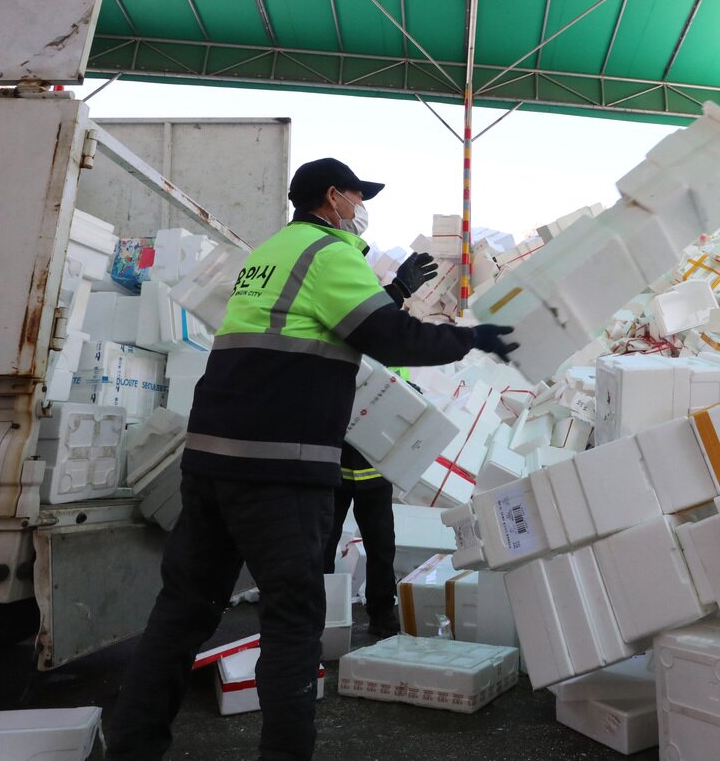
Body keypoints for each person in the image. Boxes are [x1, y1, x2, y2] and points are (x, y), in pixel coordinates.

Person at [105, 158, 518, 761]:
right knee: (294, 621)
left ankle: (133, 750)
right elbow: (389, 338)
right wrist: (472, 337)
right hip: (279, 468)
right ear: (332, 197)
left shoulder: (274, 253)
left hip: (213, 461)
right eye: (357, 195)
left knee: (181, 613)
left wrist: (396, 290)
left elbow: (330, 322)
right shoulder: (331, 253)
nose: (360, 206)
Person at [324, 443, 400, 637]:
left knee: (381, 543)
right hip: (332, 468)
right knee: (322, 543)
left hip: (374, 469)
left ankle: (382, 612)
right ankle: (318, 611)